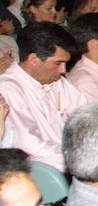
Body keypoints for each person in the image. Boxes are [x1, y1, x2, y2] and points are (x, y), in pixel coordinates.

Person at [0, 22, 86, 170]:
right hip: (46, 171)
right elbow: (30, 148)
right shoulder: (8, 89)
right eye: (58, 63)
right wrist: (83, 160)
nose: (64, 70)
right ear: (33, 60)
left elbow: (83, 113)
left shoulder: (54, 78)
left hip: (73, 157)